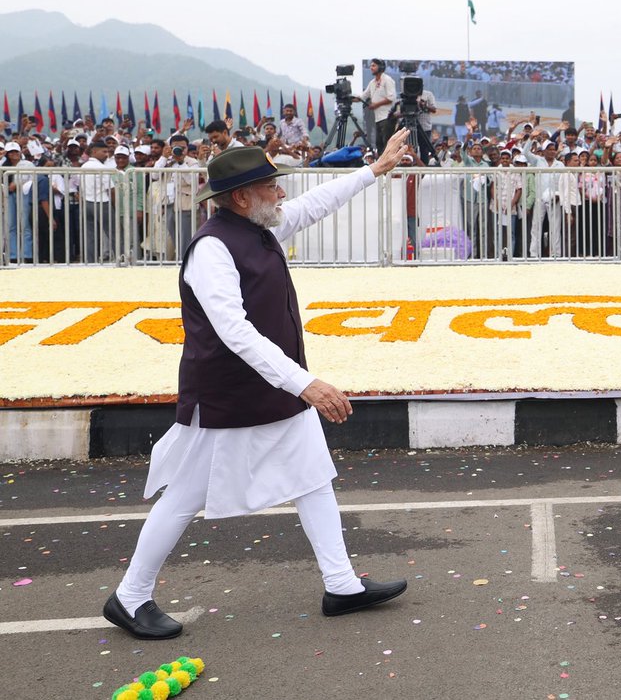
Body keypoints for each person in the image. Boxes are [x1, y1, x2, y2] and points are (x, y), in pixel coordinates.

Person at [103, 131, 413, 641]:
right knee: (183, 497)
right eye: (272, 185)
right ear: (243, 196)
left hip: (274, 389)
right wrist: (305, 383)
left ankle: (341, 584)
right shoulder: (212, 249)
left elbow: (314, 204)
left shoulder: (257, 225)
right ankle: (130, 596)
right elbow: (235, 332)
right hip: (228, 395)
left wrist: (373, 170)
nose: (282, 193)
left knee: (313, 476)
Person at [352, 58, 396, 153]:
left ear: (380, 67)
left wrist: (376, 105)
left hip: (387, 117)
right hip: (377, 119)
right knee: (379, 144)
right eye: (371, 66)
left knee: (387, 144)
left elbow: (391, 98)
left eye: (373, 66)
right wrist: (351, 99)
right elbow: (363, 96)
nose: (371, 68)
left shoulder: (387, 80)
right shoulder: (372, 83)